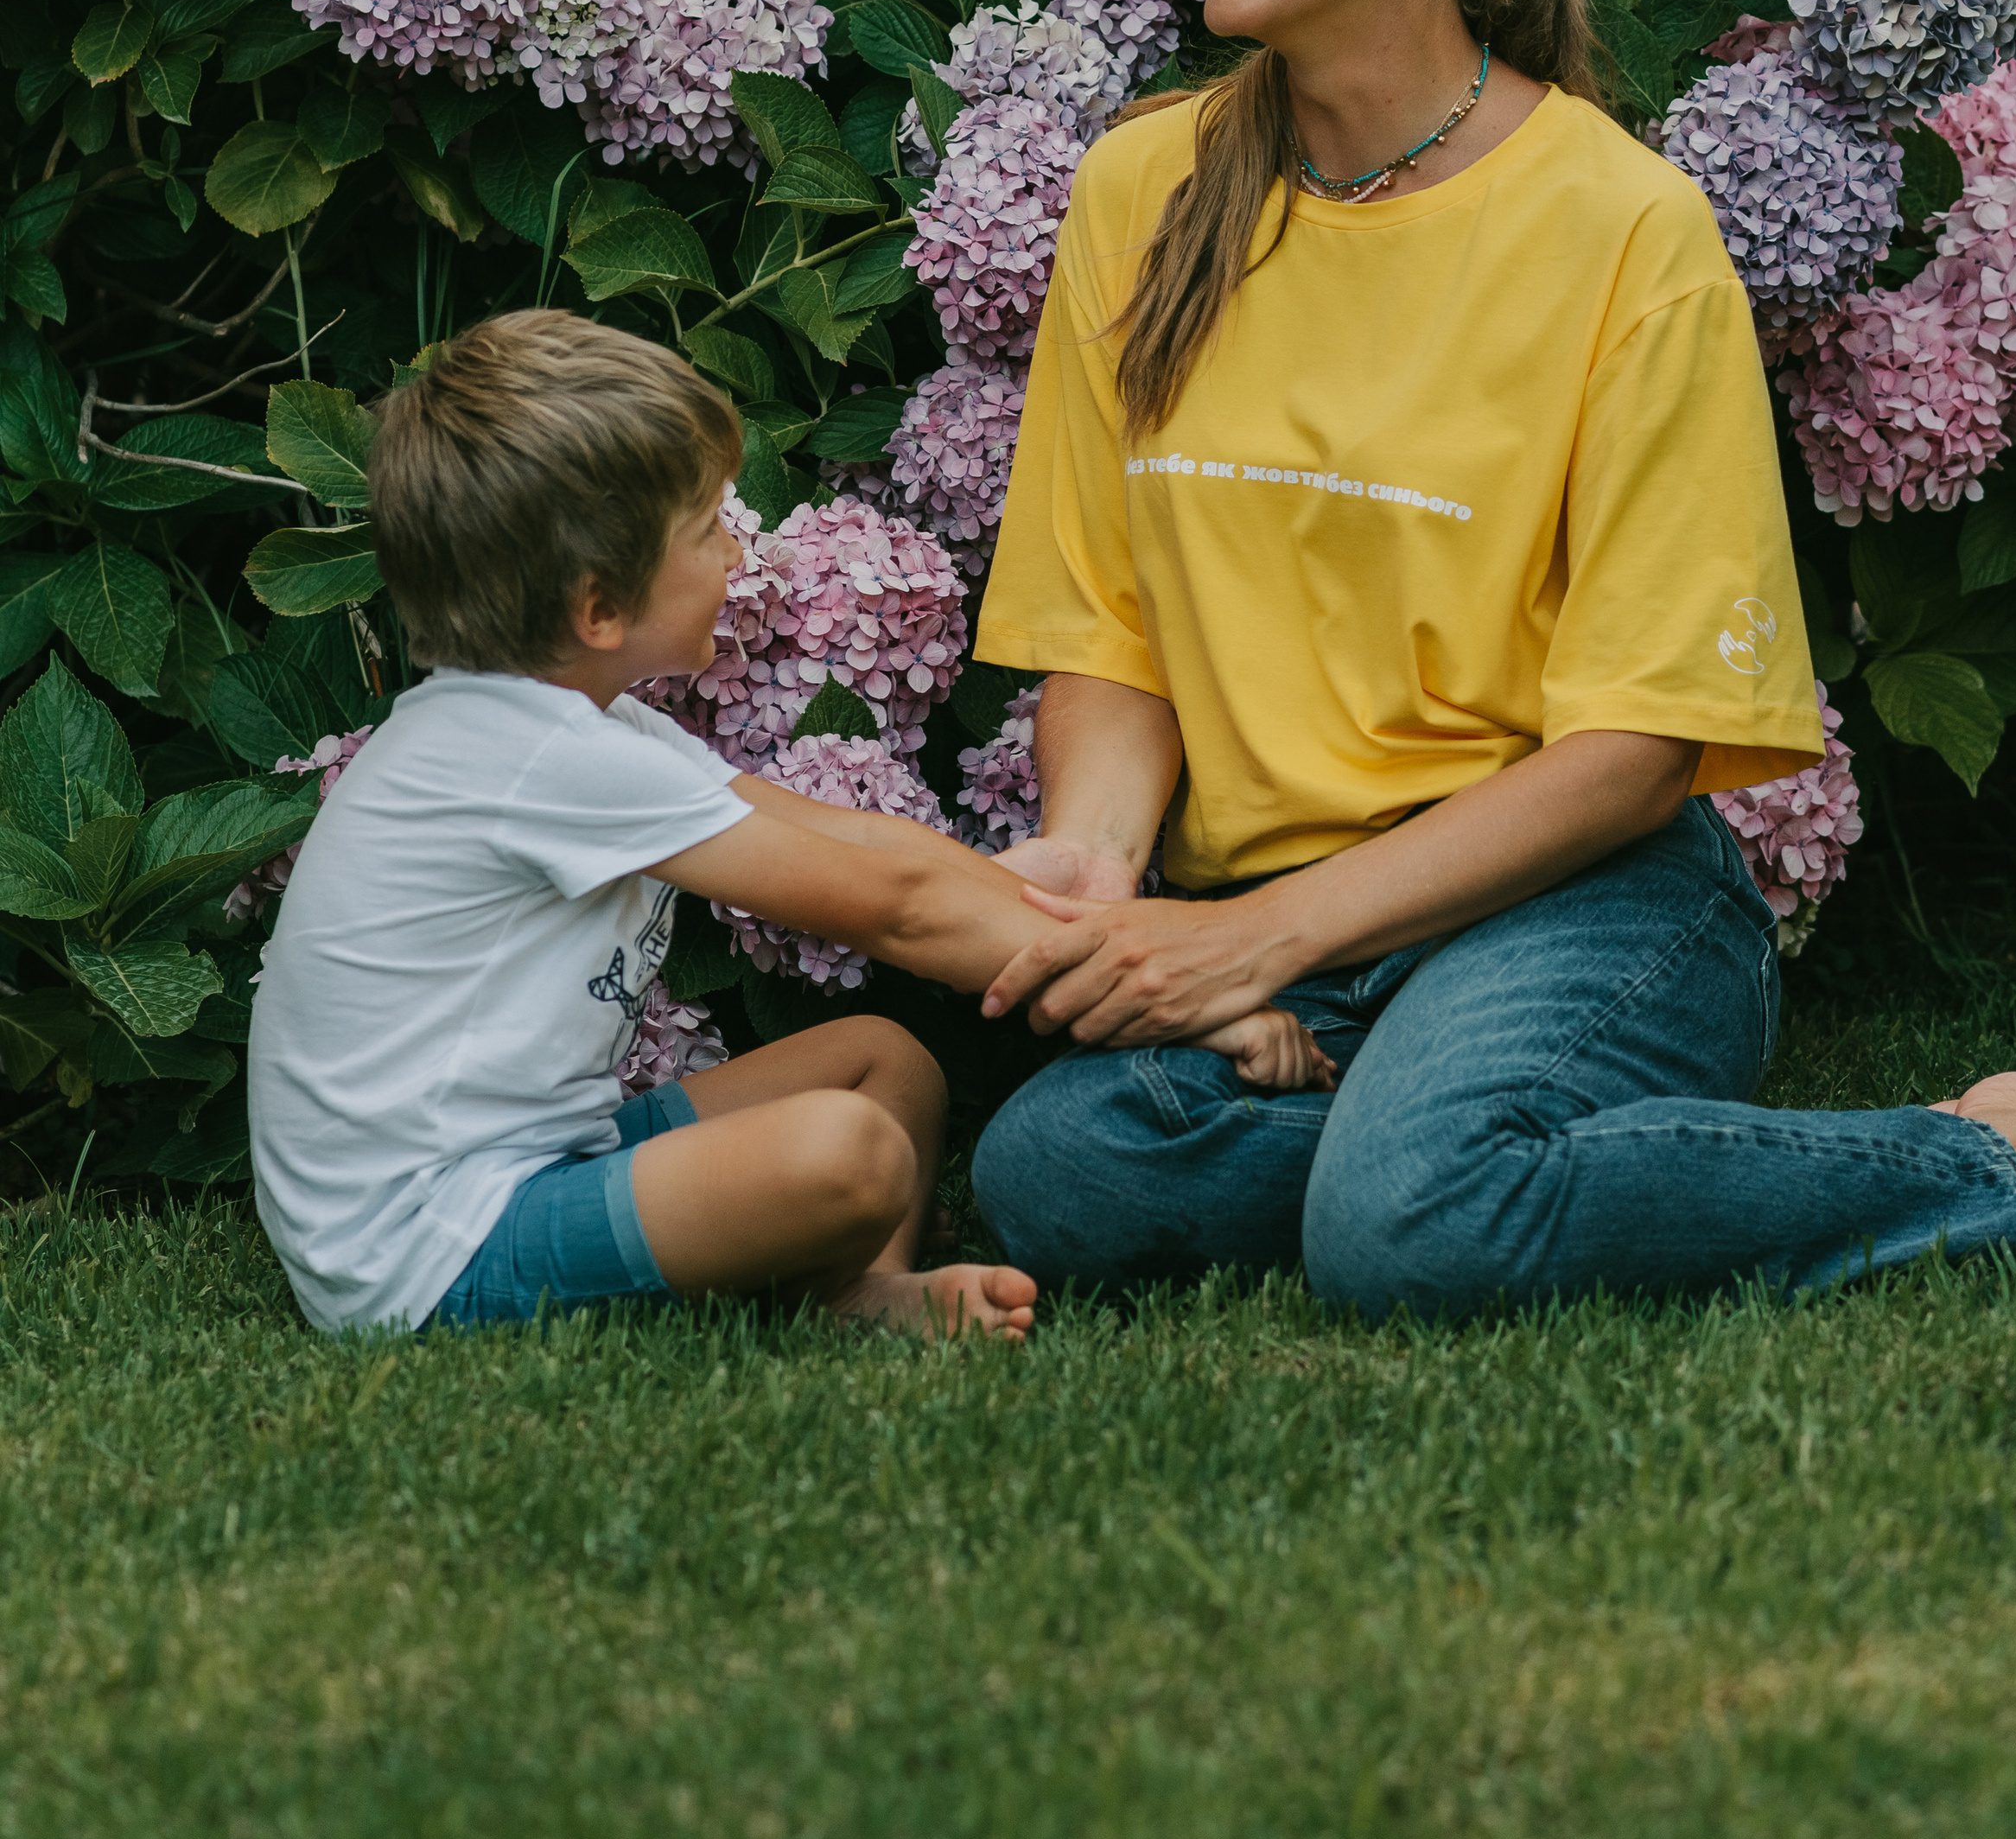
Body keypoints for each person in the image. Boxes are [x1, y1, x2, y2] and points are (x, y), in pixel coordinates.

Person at [964, 0, 2016, 1313]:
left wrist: (1266, 944)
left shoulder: (1619, 226)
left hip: (1585, 900)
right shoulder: (1142, 191)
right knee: (1051, 1170)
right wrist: (1104, 879)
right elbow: (1105, 629)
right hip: (1289, 917)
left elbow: (1636, 751)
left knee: (1407, 1237)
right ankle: (1452, 1145)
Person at [247, 312, 1325, 1343]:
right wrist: (1180, 1004)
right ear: (598, 610)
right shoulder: (536, 757)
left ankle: (857, 1291)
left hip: (533, 1164)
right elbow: (889, 909)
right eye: (706, 530)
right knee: (847, 1151)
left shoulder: (565, 724)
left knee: (881, 1063)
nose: (735, 553)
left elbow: (858, 845)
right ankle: (844, 1283)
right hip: (432, 1251)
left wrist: (1033, 887)